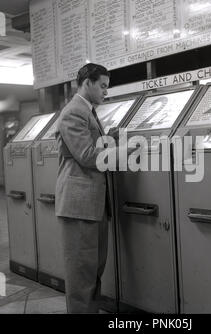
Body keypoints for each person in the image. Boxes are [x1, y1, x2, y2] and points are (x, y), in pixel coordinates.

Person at [55, 63, 112, 314]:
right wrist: (118, 152)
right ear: (87, 82)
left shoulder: (88, 111)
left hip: (94, 205)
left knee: (95, 270)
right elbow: (88, 155)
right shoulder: (73, 112)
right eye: (102, 86)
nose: (105, 92)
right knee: (81, 277)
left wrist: (112, 140)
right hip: (80, 205)